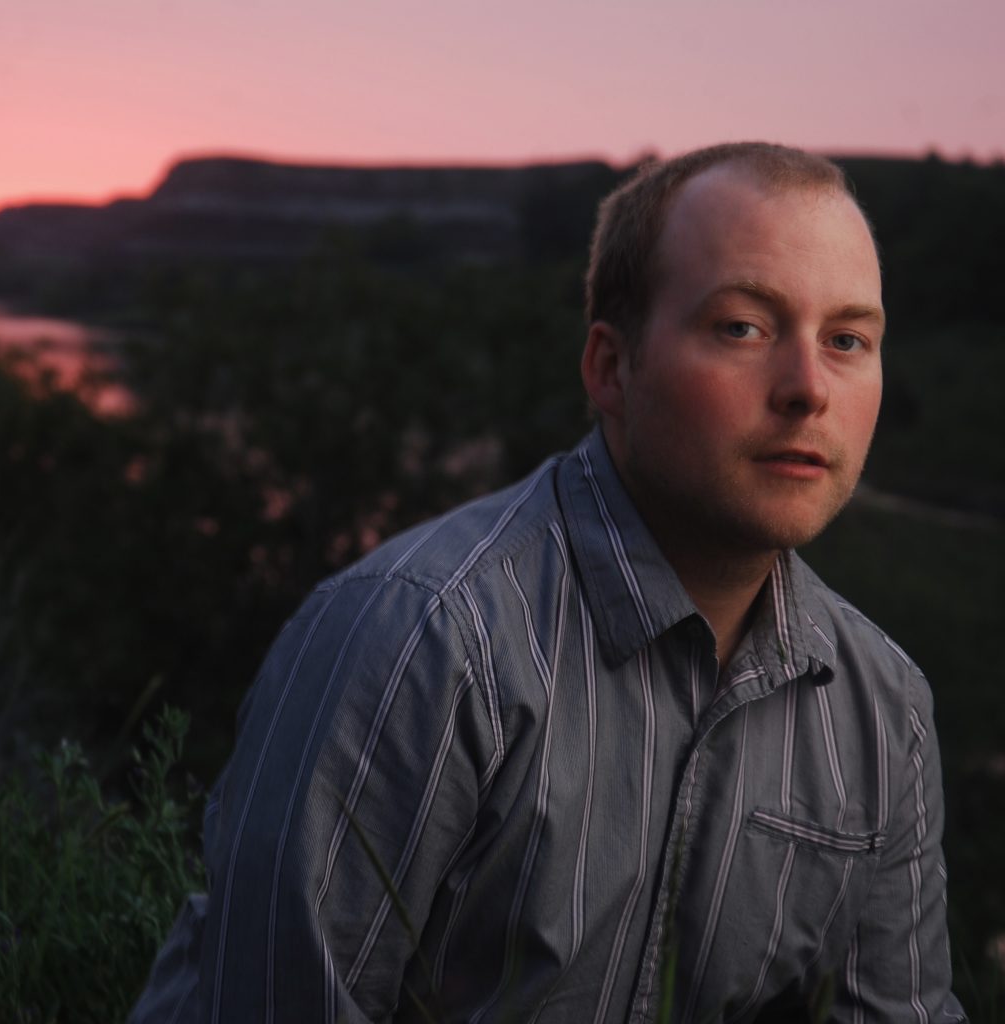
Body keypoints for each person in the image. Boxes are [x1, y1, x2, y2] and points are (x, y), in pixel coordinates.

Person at [131, 142, 967, 1022]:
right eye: (742, 328)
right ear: (611, 367)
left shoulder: (885, 707)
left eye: (847, 340)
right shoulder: (422, 641)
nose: (807, 388)